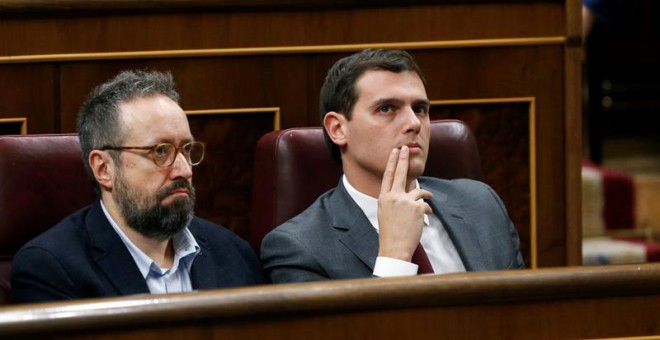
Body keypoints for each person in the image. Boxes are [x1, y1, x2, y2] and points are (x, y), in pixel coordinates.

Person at [260, 49, 525, 283]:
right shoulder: (298, 248)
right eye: (387, 108)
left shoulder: (482, 205)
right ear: (338, 129)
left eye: (420, 109)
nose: (414, 123)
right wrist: (395, 257)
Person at [11, 70, 264, 303]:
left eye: (186, 150)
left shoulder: (234, 254)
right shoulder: (51, 270)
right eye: (160, 151)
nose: (184, 170)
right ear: (104, 169)